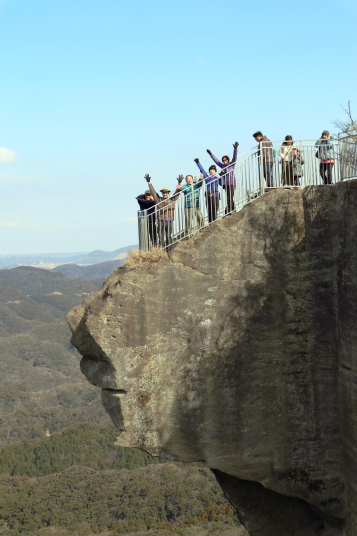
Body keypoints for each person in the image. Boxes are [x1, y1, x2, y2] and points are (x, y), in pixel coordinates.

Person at [144, 174, 182, 248]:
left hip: (169, 220)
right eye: (164, 193)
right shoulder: (159, 200)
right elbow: (153, 192)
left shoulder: (172, 200)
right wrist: (149, 182)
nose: (165, 194)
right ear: (162, 193)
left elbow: (177, 193)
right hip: (161, 220)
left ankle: (169, 249)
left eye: (166, 193)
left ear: (168, 193)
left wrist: (179, 183)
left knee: (168, 236)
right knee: (160, 236)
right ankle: (162, 249)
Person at [206, 142, 239, 214]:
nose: (224, 161)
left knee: (229, 198)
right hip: (226, 184)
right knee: (229, 198)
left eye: (225, 160)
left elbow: (235, 157)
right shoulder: (223, 166)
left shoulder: (231, 164)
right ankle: (233, 210)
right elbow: (216, 161)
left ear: (228, 160)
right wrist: (211, 154)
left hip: (232, 183)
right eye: (223, 160)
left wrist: (235, 149)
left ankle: (229, 211)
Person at [194, 159, 220, 223]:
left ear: (215, 171)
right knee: (209, 210)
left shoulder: (217, 178)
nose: (212, 171)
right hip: (208, 195)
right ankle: (210, 222)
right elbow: (202, 170)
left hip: (215, 195)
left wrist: (222, 174)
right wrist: (198, 162)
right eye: (210, 170)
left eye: (213, 170)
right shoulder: (207, 178)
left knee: (215, 209)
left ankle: (215, 221)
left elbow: (222, 183)